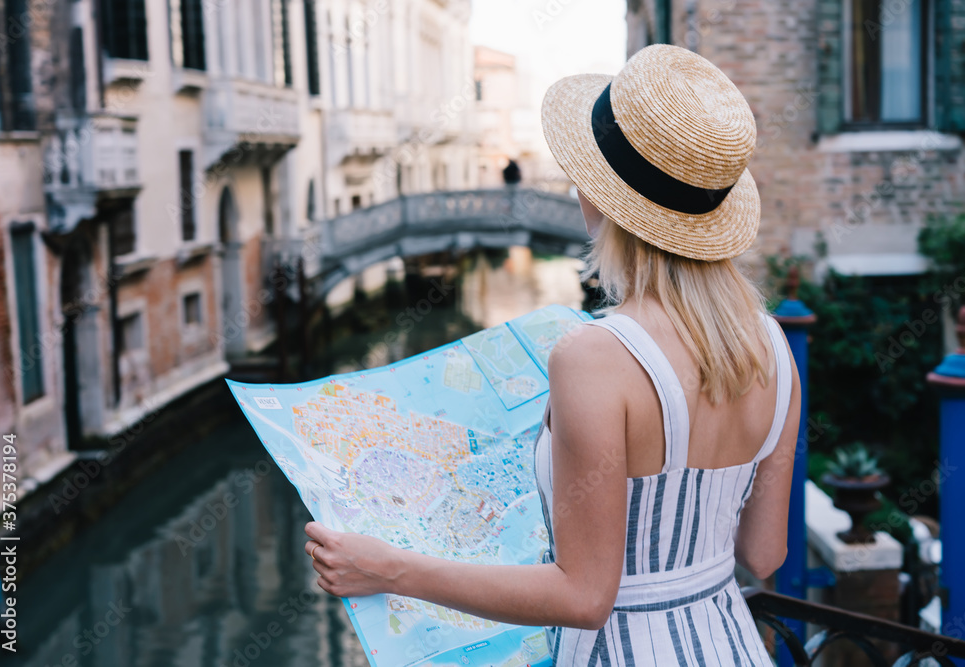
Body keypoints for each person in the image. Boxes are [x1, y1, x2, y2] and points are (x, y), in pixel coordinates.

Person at [304, 43, 801, 665]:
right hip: (731, 645)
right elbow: (763, 554)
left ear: (599, 199)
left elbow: (585, 596)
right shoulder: (774, 348)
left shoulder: (593, 357)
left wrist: (390, 569)